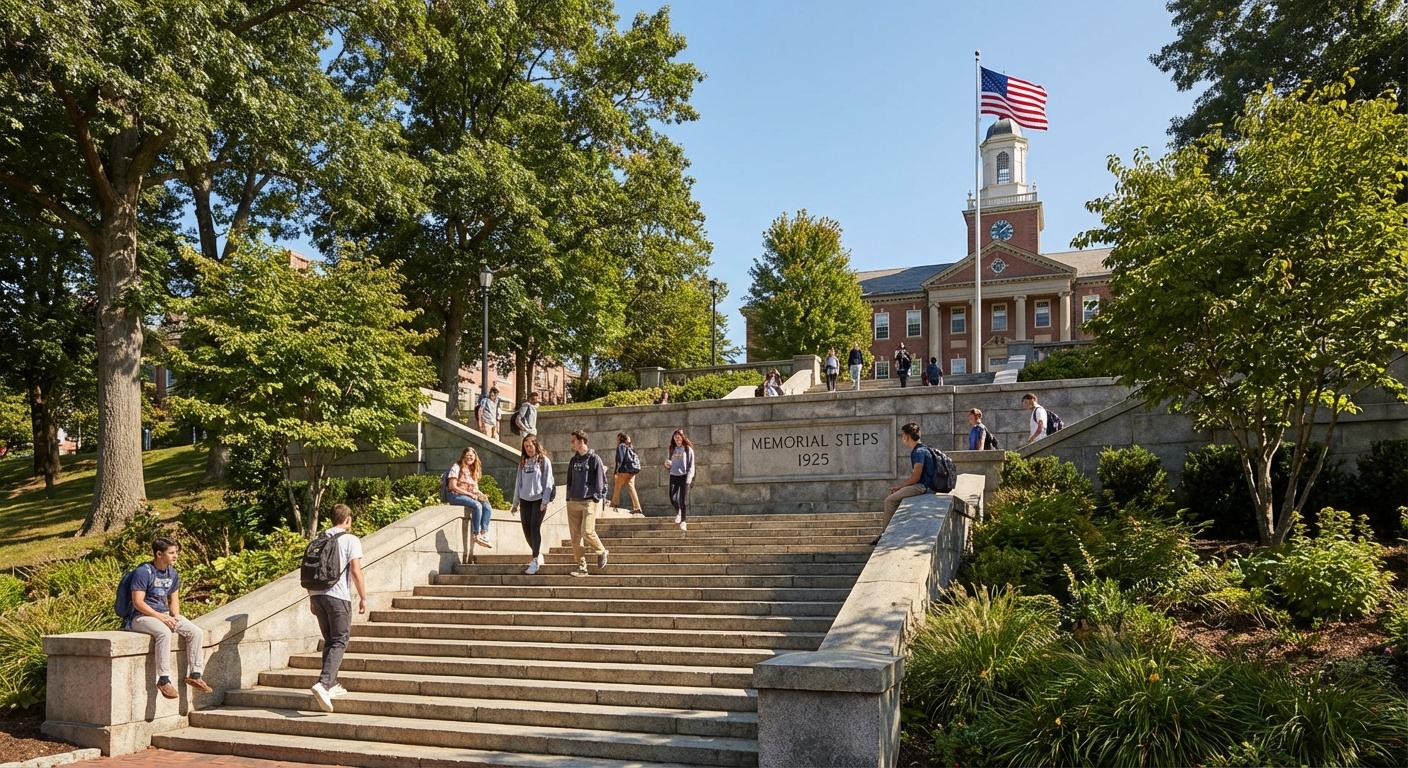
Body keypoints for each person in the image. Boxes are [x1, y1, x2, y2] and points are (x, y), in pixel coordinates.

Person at [122, 536, 213, 700]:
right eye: (171, 553)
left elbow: (174, 600)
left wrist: (176, 617)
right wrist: (162, 619)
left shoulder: (172, 573)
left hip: (163, 614)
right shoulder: (143, 572)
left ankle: (195, 674)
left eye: (176, 552)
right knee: (164, 633)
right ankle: (163, 680)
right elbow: (138, 603)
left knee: (196, 632)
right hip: (140, 617)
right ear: (159, 554)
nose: (175, 556)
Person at [306, 503, 367, 712]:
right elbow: (355, 570)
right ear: (348, 519)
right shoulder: (351, 540)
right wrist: (363, 597)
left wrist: (311, 599)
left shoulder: (319, 539)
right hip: (338, 596)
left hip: (317, 595)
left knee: (330, 640)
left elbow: (310, 570)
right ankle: (323, 684)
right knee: (340, 640)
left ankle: (330, 684)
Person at [876, 422, 935, 543]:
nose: (902, 438)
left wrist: (899, 487)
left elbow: (916, 477)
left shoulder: (918, 452)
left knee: (890, 500)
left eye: (903, 435)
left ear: (907, 436)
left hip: (923, 487)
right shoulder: (925, 448)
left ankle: (885, 535)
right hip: (926, 485)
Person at [565, 430, 610, 577]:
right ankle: (581, 566)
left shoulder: (594, 459)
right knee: (575, 538)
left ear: (581, 441)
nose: (571, 443)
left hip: (589, 501)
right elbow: (569, 481)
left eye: (573, 441)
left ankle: (602, 550)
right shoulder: (573, 460)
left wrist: (597, 497)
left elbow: (602, 481)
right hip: (573, 502)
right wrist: (568, 497)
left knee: (587, 531)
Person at [509, 435, 554, 575]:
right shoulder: (523, 461)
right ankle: (538, 553)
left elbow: (548, 482)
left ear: (536, 445)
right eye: (526, 446)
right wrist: (515, 503)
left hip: (539, 499)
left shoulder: (543, 461)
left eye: (530, 445)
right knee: (526, 529)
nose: (528, 448)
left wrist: (545, 501)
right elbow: (518, 482)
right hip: (525, 500)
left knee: (534, 528)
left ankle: (535, 560)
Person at [446, 447, 493, 550]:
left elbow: (475, 489)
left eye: (472, 456)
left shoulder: (472, 470)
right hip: (455, 495)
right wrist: (469, 494)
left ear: (475, 457)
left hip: (469, 495)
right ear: (463, 456)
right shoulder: (457, 466)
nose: (470, 457)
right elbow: (452, 486)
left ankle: (484, 533)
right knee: (477, 505)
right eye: (468, 455)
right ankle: (476, 534)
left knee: (487, 506)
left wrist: (482, 495)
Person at [663, 429, 696, 531]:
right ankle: (679, 512)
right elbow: (669, 463)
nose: (677, 438)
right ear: (673, 439)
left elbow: (691, 465)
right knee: (672, 498)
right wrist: (667, 464)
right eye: (675, 437)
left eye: (679, 437)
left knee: (683, 500)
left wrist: (689, 478)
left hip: (684, 476)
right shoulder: (671, 449)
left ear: (682, 438)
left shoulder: (687, 449)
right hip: (673, 475)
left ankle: (683, 521)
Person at [611, 432, 643, 515]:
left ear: (620, 439)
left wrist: (616, 471)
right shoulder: (631, 447)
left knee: (617, 486)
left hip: (624, 470)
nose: (616, 441)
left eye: (617, 439)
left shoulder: (621, 446)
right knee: (631, 487)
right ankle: (637, 507)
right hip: (632, 471)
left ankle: (614, 504)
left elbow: (620, 459)